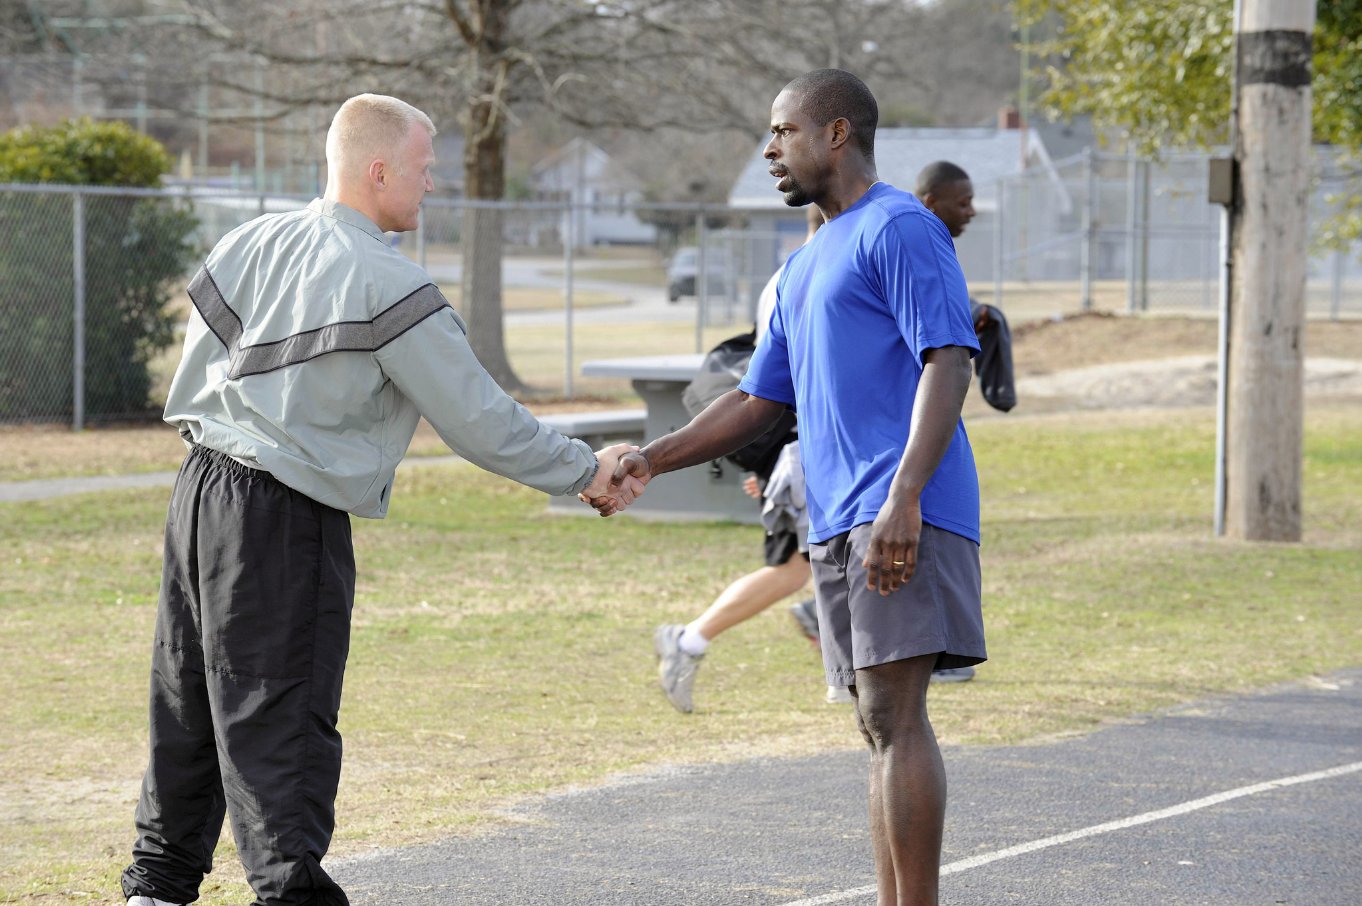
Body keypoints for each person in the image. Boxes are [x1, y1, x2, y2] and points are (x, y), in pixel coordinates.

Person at [121, 94, 640, 906]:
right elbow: (480, 419)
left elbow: (205, 371)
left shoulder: (246, 241)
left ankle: (154, 889)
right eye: (426, 169)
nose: (433, 184)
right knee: (280, 722)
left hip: (198, 496)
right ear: (378, 168)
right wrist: (587, 470)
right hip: (283, 515)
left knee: (187, 705)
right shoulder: (389, 282)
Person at [592, 69, 985, 906]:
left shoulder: (902, 227)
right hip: (837, 516)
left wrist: (904, 498)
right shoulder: (809, 261)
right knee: (876, 723)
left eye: (784, 132)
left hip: (898, 506)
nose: (770, 149)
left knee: (896, 715)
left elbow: (947, 360)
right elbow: (758, 398)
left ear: (836, 134)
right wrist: (651, 460)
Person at [653, 205, 834, 713]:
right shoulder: (806, 275)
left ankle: (829, 626)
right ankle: (688, 640)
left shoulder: (798, 270)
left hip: (792, 444)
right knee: (789, 569)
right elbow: (786, 375)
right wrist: (770, 461)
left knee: (819, 556)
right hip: (791, 445)